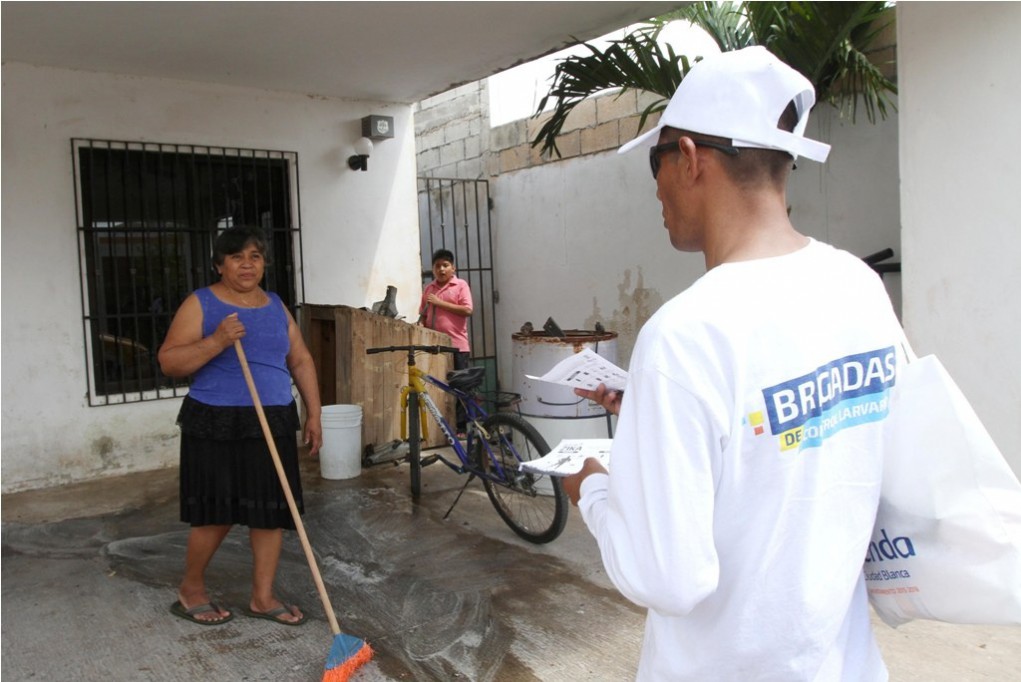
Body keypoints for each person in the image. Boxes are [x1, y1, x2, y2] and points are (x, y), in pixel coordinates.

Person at [563, 46, 905, 681]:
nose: (656, 189)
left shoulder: (685, 337)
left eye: (655, 162)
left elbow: (668, 576)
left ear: (689, 158)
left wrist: (595, 491)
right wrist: (656, 409)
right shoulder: (857, 284)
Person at [158, 226, 322, 626]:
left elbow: (299, 359)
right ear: (219, 264)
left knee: (271, 511)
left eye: (255, 256)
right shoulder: (201, 304)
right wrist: (216, 341)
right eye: (236, 257)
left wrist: (314, 413)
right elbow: (169, 362)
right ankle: (191, 590)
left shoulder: (276, 306)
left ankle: (262, 598)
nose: (247, 264)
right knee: (216, 513)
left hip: (273, 417)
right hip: (216, 420)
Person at [418, 248, 474, 432]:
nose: (441, 269)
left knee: (460, 388)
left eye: (445, 265)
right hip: (435, 348)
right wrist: (419, 325)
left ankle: (461, 428)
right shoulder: (429, 289)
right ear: (433, 269)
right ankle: (439, 428)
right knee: (437, 387)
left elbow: (467, 310)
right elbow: (423, 316)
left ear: (453, 268)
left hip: (458, 347)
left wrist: (440, 303)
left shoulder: (461, 286)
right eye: (437, 266)